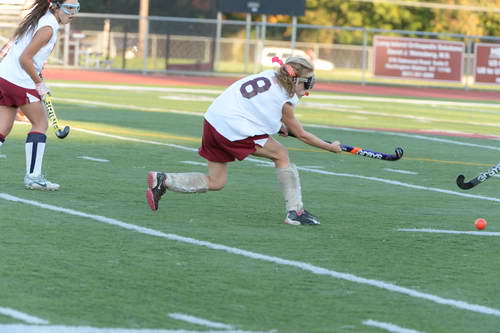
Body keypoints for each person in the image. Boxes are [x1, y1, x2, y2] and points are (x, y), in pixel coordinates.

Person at [146, 56, 342, 225]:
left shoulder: (269, 75)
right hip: (233, 129)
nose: (310, 86)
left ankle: (164, 180)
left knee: (216, 181)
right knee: (281, 154)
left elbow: (257, 106)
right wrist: (330, 147)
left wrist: (278, 126)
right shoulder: (285, 101)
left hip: (213, 122)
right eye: (308, 82)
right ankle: (295, 212)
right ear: (296, 80)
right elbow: (302, 135)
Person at [0, 0, 80, 190]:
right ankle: (34, 177)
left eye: (76, 8)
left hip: (4, 76)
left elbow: (27, 56)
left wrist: (37, 75)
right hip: (18, 80)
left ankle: (34, 176)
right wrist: (39, 83)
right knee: (40, 124)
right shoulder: (48, 27)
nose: (73, 13)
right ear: (55, 6)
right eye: (68, 8)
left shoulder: (41, 19)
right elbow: (25, 58)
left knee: (3, 127)